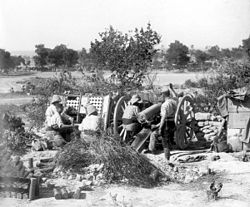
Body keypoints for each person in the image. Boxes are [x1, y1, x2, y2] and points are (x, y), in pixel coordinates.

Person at [148, 86, 177, 161]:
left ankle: (165, 158)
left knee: (163, 141)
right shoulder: (174, 102)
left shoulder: (164, 105)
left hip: (166, 123)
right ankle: (169, 154)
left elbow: (163, 118)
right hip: (172, 122)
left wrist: (160, 127)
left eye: (161, 95)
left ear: (163, 95)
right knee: (168, 138)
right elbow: (175, 97)